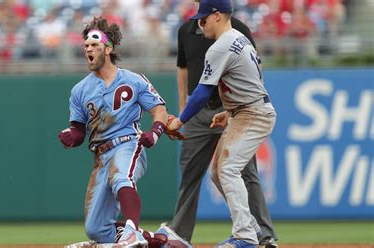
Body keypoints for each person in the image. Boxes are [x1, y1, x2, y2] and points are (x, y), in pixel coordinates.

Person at [164, 0, 279, 247]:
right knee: (218, 172)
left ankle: (245, 236)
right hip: (244, 110)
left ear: (217, 16)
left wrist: (180, 120)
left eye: (203, 18)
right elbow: (248, 79)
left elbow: (203, 92)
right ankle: (251, 229)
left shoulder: (221, 46)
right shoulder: (238, 37)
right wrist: (229, 111)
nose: (200, 23)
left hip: (252, 114)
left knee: (229, 170)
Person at [58, 16, 168, 247]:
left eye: (94, 45)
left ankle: (132, 232)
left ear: (108, 48)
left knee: (122, 178)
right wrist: (71, 136)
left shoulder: (133, 80)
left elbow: (159, 109)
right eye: (86, 45)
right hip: (100, 155)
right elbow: (79, 131)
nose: (88, 49)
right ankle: (160, 240)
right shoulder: (80, 90)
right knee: (96, 228)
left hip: (128, 143)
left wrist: (155, 132)